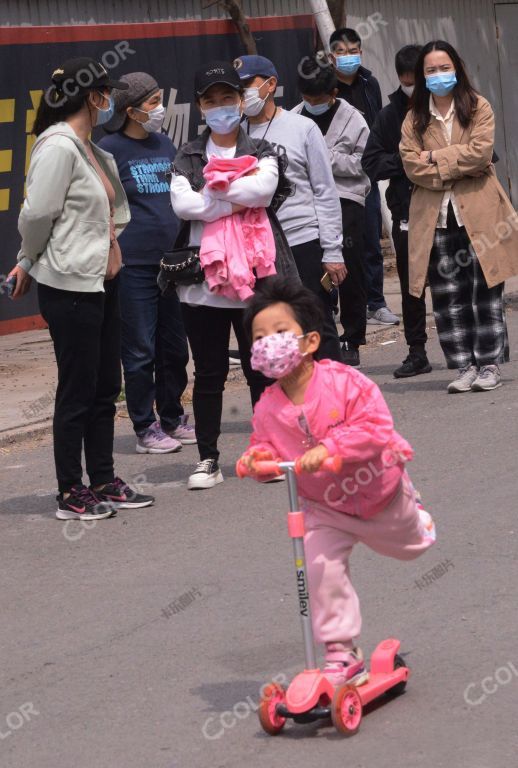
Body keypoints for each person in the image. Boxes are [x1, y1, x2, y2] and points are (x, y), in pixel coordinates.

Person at [238, 279, 436, 685]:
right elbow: (265, 448)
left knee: (413, 546)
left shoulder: (346, 383)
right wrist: (258, 461)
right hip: (324, 509)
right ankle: (340, 652)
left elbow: (375, 426)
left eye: (279, 333)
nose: (267, 343)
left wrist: (330, 449)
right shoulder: (268, 406)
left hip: (378, 493)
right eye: (259, 337)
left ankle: (416, 514)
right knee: (318, 569)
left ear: (310, 342)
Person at [8, 57, 154, 520]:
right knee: (78, 387)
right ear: (93, 97)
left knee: (106, 384)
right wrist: (27, 262)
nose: (111, 101)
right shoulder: (57, 146)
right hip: (69, 284)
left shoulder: (88, 147)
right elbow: (36, 215)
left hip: (101, 280)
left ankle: (104, 479)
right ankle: (71, 491)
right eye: (106, 93)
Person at [166, 60, 299, 490]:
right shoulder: (186, 154)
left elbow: (261, 192)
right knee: (208, 375)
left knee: (262, 368)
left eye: (228, 98)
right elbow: (185, 208)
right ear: (200, 108)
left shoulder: (262, 150)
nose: (221, 107)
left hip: (254, 280)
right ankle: (208, 458)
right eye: (211, 101)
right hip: (202, 285)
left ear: (242, 103)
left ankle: (267, 451)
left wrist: (215, 190)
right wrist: (235, 197)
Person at [400, 40, 518, 393]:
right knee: (448, 296)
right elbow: (411, 165)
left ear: (457, 68)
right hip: (435, 218)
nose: (439, 75)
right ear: (422, 76)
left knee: (485, 291)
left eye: (444, 67)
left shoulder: (477, 106)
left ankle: (489, 365)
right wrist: (453, 163)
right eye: (431, 70)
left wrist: (434, 157)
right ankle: (463, 366)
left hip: (480, 213)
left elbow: (481, 155)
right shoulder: (414, 116)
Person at [98, 72, 195, 454]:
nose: (159, 109)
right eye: (153, 103)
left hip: (171, 262)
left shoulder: (164, 142)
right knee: (140, 350)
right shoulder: (109, 149)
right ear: (130, 110)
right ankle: (144, 426)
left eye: (159, 100)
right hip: (134, 264)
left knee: (175, 348)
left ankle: (172, 415)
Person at [237, 54, 345, 362]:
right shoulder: (234, 136)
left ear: (270, 85)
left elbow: (325, 190)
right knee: (274, 331)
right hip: (258, 249)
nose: (243, 93)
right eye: (238, 87)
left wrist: (333, 251)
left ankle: (332, 400)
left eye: (248, 85)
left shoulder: (302, 128)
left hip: (302, 241)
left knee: (316, 324)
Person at [293, 54, 370, 368]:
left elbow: (364, 162)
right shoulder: (296, 117)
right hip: (308, 201)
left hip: (346, 198)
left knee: (347, 267)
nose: (313, 103)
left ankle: (352, 335)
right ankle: (318, 330)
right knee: (315, 274)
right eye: (308, 97)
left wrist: (326, 157)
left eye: (319, 98)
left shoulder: (354, 119)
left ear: (333, 94)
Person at [363, 45, 432, 378]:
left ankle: (466, 349)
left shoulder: (449, 107)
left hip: (451, 210)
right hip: (408, 209)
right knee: (411, 286)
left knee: (456, 282)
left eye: (415, 80)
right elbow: (372, 162)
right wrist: (409, 163)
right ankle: (416, 351)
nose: (411, 87)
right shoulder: (390, 115)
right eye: (405, 81)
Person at [329, 27, 400, 327]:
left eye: (354, 50)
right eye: (342, 52)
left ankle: (375, 303)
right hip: (331, 180)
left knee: (370, 240)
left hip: (365, 176)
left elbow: (379, 125)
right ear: (331, 55)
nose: (348, 57)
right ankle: (330, 306)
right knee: (332, 245)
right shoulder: (325, 87)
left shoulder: (370, 83)